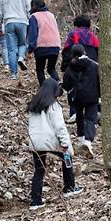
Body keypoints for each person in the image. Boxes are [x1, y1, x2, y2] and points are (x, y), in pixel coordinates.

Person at [27, 78, 82, 208]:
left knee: (39, 170)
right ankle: (69, 186)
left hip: (35, 142)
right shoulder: (53, 105)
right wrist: (65, 143)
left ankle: (35, 201)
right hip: (50, 140)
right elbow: (60, 127)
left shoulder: (33, 105)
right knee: (67, 158)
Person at [63, 44, 100, 157]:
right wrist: (100, 96)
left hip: (77, 96)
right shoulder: (94, 65)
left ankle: (81, 138)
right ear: (84, 52)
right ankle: (88, 141)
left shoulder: (70, 67)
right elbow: (99, 81)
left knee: (79, 116)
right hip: (92, 96)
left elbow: (66, 85)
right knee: (91, 118)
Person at [0, 0, 32, 80]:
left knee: (11, 49)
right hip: (22, 22)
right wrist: (30, 21)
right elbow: (29, 9)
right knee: (22, 44)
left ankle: (13, 74)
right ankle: (21, 57)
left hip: (9, 22)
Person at [27, 0, 61, 84]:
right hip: (55, 45)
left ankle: (43, 88)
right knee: (51, 69)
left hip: (41, 46)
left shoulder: (34, 17)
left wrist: (30, 50)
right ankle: (58, 83)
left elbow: (33, 34)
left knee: (40, 70)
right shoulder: (51, 15)